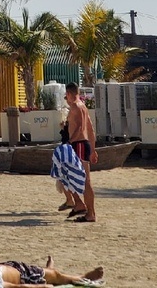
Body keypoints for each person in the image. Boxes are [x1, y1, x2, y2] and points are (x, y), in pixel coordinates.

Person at [0, 255, 104, 286]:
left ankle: (48, 269)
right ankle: (82, 277)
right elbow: (14, 286)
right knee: (56, 277)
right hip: (24, 276)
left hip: (12, 265)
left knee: (48, 274)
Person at [64, 82, 98, 222]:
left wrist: (68, 143)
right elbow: (90, 129)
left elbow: (77, 129)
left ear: (70, 94)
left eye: (66, 96)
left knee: (71, 177)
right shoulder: (83, 107)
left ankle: (86, 210)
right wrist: (93, 149)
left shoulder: (74, 107)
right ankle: (83, 207)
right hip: (84, 144)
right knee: (78, 178)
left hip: (77, 144)